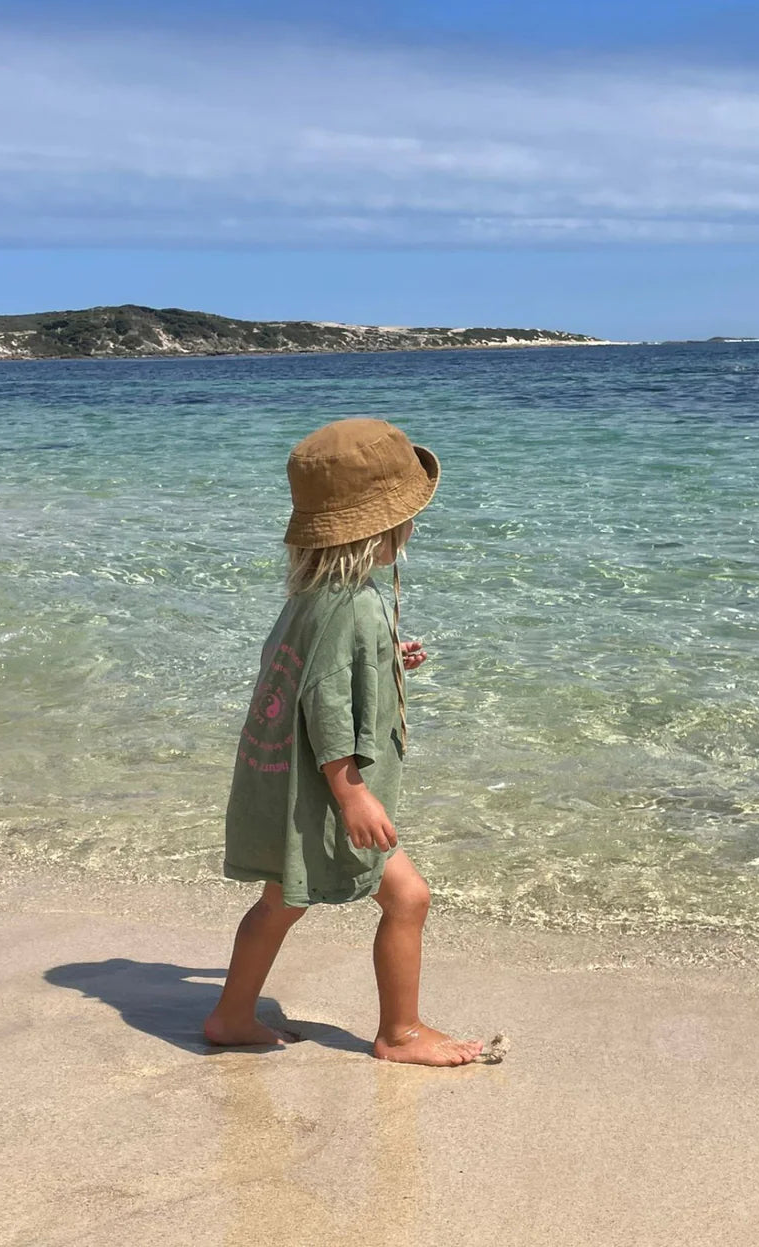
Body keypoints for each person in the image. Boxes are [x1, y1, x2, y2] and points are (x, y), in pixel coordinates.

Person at [204, 418, 484, 1067]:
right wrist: (350, 789)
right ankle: (401, 1033)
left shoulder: (312, 594)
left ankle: (231, 1013)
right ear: (381, 528)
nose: (413, 527)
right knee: (409, 897)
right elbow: (327, 698)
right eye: (407, 515)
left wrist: (385, 657)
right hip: (326, 789)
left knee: (280, 900)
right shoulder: (355, 606)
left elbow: (308, 671)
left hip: (285, 785)